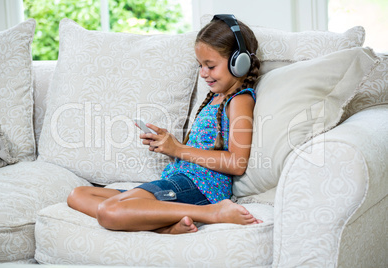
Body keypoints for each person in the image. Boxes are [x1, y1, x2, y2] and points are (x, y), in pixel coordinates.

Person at [67, 14, 262, 234]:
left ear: (239, 62)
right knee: (78, 195)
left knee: (108, 212)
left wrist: (179, 148)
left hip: (197, 188)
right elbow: (199, 154)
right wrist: (171, 149)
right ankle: (165, 227)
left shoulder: (239, 100)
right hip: (178, 182)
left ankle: (212, 213)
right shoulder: (215, 99)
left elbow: (237, 163)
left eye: (210, 65)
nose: (203, 73)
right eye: (200, 65)